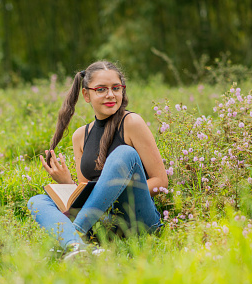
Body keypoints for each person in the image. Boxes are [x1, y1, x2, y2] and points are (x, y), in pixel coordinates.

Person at [27, 60, 168, 260]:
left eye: (116, 88)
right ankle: (77, 246)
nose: (110, 95)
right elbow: (89, 190)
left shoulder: (132, 123)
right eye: (101, 89)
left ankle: (73, 234)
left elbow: (161, 182)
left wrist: (118, 194)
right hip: (104, 223)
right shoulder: (80, 136)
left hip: (139, 218)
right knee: (37, 201)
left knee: (124, 154)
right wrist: (68, 184)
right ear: (87, 94)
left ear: (122, 91)